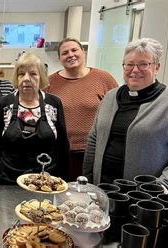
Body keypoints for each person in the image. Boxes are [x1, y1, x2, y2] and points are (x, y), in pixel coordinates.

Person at [83, 38, 168, 193]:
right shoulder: (110, 97)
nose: (135, 70)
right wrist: (87, 180)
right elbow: (94, 139)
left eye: (143, 64)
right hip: (102, 189)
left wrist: (164, 185)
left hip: (145, 198)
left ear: (156, 67)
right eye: (129, 64)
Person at [0, 53, 70, 184]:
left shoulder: (54, 103)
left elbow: (62, 145)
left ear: (41, 77)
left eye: (33, 74)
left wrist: (65, 181)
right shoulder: (4, 104)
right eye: (21, 74)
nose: (26, 78)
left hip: (45, 180)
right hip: (8, 180)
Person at [46, 38, 118, 181]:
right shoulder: (50, 82)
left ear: (83, 52)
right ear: (59, 59)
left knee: (91, 193)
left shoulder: (103, 79)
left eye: (74, 50)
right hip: (61, 151)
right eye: (65, 53)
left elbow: (117, 109)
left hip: (94, 151)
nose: (70, 55)